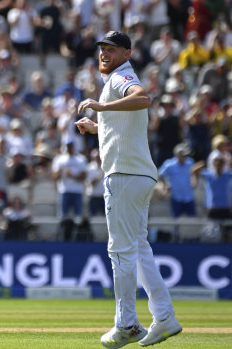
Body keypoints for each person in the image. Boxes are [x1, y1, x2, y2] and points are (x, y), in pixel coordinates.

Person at [75, 31, 182, 348]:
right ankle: (164, 317)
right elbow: (126, 123)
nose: (104, 54)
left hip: (124, 175)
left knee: (119, 251)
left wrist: (100, 108)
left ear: (127, 53)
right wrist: (97, 126)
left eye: (112, 49)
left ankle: (126, 325)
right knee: (138, 249)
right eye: (102, 49)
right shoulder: (115, 80)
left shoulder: (122, 77)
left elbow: (143, 97)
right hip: (136, 174)